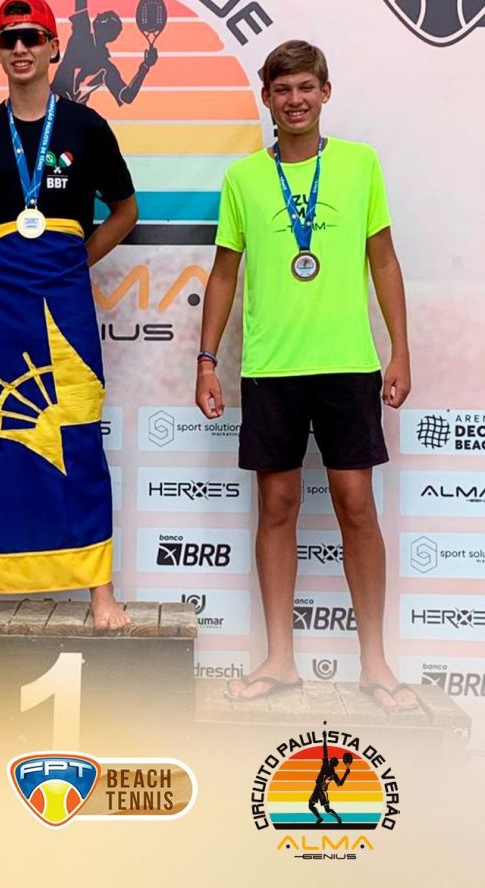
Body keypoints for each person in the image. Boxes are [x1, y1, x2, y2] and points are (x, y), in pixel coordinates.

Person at [195, 40, 418, 712]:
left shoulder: (358, 164)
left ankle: (375, 663)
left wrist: (400, 350)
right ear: (266, 98)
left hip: (348, 363)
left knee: (356, 506)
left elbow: (383, 259)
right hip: (270, 367)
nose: (294, 100)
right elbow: (224, 274)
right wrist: (206, 361)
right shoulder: (242, 178)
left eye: (305, 87)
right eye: (282, 89)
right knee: (276, 509)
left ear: (325, 92)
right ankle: (278, 660)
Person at [0, 0, 137, 629]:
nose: (21, 48)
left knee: (78, 439)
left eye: (32, 37)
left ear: (54, 47)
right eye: (9, 39)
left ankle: (100, 588)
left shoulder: (85, 126)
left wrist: (78, 257)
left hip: (64, 306)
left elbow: (126, 210)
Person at [308, 735, 352, 824]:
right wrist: (345, 775)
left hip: (319, 789)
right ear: (335, 765)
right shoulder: (333, 774)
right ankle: (337, 818)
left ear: (330, 761)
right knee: (326, 809)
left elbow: (325, 750)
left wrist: (324, 739)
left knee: (311, 805)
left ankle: (320, 818)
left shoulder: (325, 765)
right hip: (322, 790)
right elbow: (340, 784)